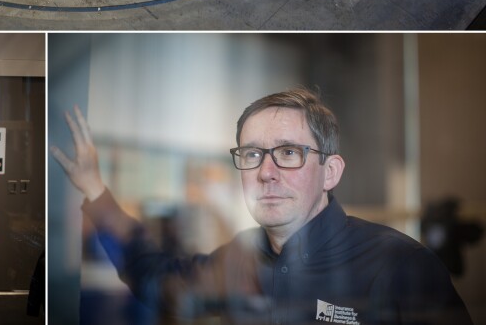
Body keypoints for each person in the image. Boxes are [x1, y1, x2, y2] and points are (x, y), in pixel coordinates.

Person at [52, 88, 473, 325]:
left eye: (288, 153)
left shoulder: (401, 265)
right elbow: (157, 277)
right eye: (252, 154)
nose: (266, 172)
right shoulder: (240, 256)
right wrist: (94, 189)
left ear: (330, 172)